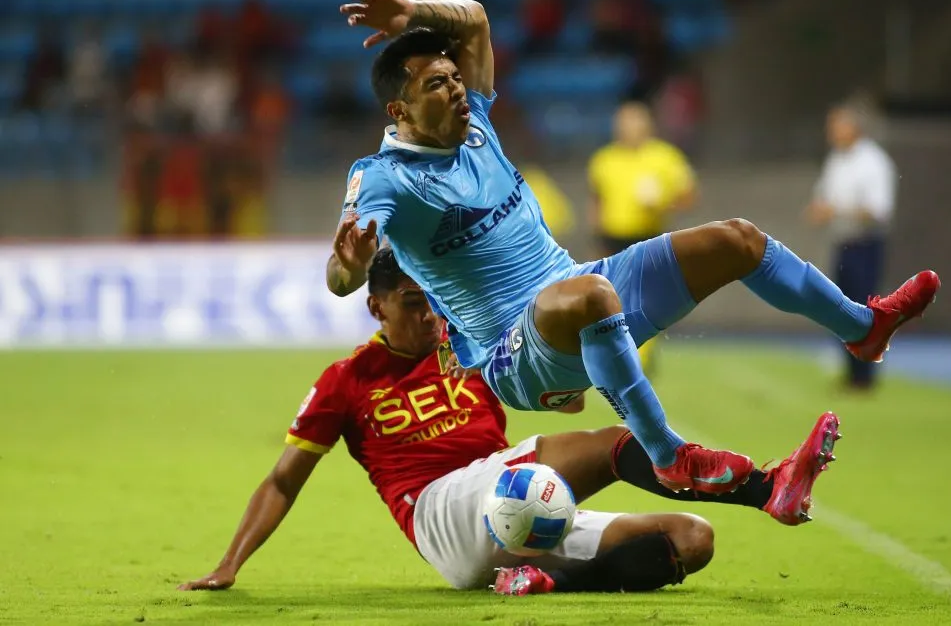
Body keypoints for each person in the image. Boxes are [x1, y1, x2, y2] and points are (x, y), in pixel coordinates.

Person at [327, 0, 937, 497]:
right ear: (397, 112)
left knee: (738, 240)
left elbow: (478, 19)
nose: (458, 89)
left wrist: (413, 13)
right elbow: (340, 275)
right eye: (436, 85)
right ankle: (671, 454)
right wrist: (350, 267)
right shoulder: (383, 177)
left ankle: (863, 328)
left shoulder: (476, 122)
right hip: (512, 357)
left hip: (577, 292)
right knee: (590, 294)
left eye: (455, 78)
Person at [179, 248, 842, 595]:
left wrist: (565, 387)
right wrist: (229, 564)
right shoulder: (346, 381)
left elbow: (548, 389)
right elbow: (284, 480)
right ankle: (767, 490)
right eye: (413, 304)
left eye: (435, 302)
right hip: (441, 509)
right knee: (616, 444)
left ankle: (539, 577)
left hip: (519, 502)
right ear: (376, 304)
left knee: (691, 540)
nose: (431, 317)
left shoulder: (465, 341)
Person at [588, 100, 698, 372]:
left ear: (648, 125)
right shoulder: (604, 159)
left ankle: (642, 353)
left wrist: (663, 202)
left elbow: (688, 195)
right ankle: (622, 349)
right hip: (613, 237)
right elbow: (597, 200)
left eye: (635, 122)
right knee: (615, 299)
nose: (628, 128)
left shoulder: (665, 157)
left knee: (644, 298)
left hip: (649, 235)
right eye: (623, 123)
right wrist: (596, 237)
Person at [806, 106, 898, 392]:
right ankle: (851, 372)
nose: (830, 133)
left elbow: (878, 211)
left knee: (864, 311)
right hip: (843, 244)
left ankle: (865, 376)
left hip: (865, 244)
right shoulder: (836, 159)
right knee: (840, 308)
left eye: (836, 126)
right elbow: (824, 197)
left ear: (853, 128)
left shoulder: (874, 162)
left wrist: (835, 211)